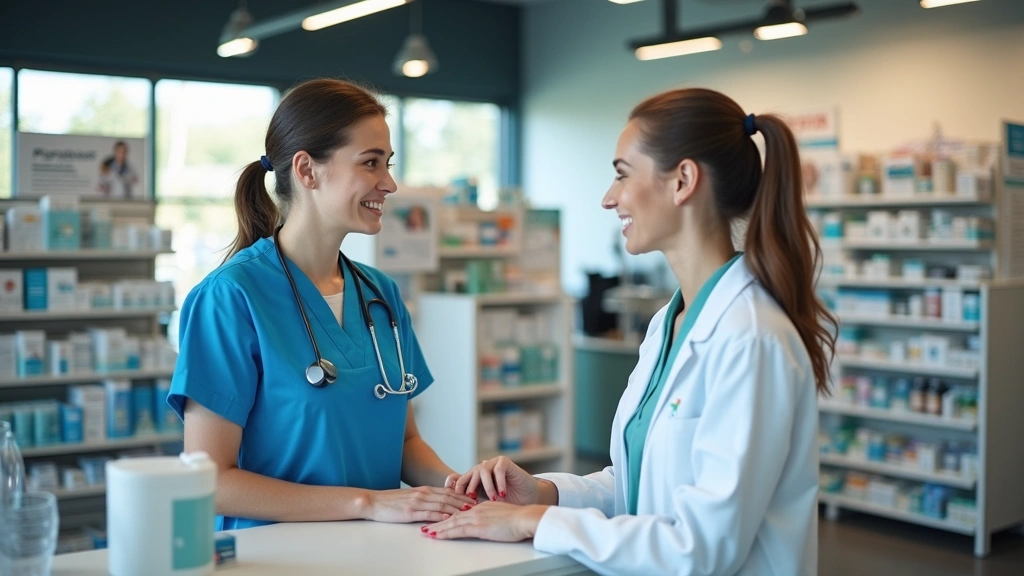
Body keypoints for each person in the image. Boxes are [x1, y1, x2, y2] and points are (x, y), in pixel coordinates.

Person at [425, 88, 837, 576]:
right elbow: (637, 486)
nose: (608, 197)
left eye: (622, 174)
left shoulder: (750, 337)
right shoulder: (670, 323)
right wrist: (542, 493)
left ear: (683, 180)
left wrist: (534, 521)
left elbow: (702, 547)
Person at [167, 79, 474, 531]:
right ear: (307, 171)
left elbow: (406, 442)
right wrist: (367, 503)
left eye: (387, 164)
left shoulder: (380, 295)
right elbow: (210, 480)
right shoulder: (231, 299)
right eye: (370, 163)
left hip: (376, 552)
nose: (388, 183)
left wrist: (461, 490)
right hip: (277, 559)